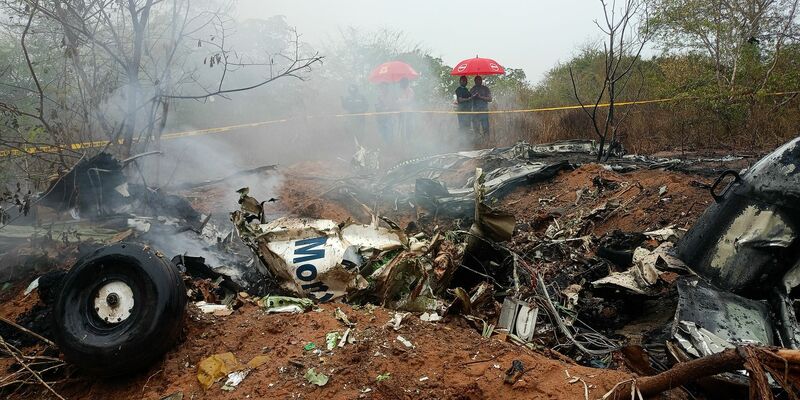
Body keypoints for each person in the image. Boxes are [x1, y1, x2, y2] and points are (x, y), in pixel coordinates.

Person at [396, 78, 415, 142]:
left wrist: (400, 101)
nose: (400, 85)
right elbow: (398, 102)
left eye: (401, 83)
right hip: (401, 112)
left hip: (408, 112)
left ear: (405, 83)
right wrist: (398, 101)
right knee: (401, 128)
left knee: (408, 128)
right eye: (400, 83)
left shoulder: (410, 91)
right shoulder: (401, 91)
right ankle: (402, 141)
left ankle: (408, 141)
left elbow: (409, 101)